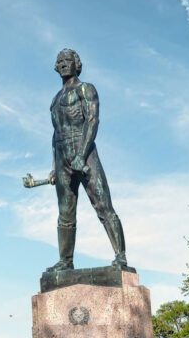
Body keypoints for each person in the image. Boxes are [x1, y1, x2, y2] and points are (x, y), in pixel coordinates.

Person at [44, 48, 127, 272]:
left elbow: (92, 121)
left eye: (66, 60)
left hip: (85, 152)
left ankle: (120, 256)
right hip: (62, 157)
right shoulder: (55, 99)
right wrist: (54, 166)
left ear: (76, 64)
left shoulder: (85, 89)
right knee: (65, 213)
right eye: (59, 61)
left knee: (103, 205)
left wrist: (81, 155)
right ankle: (66, 260)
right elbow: (55, 134)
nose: (62, 64)